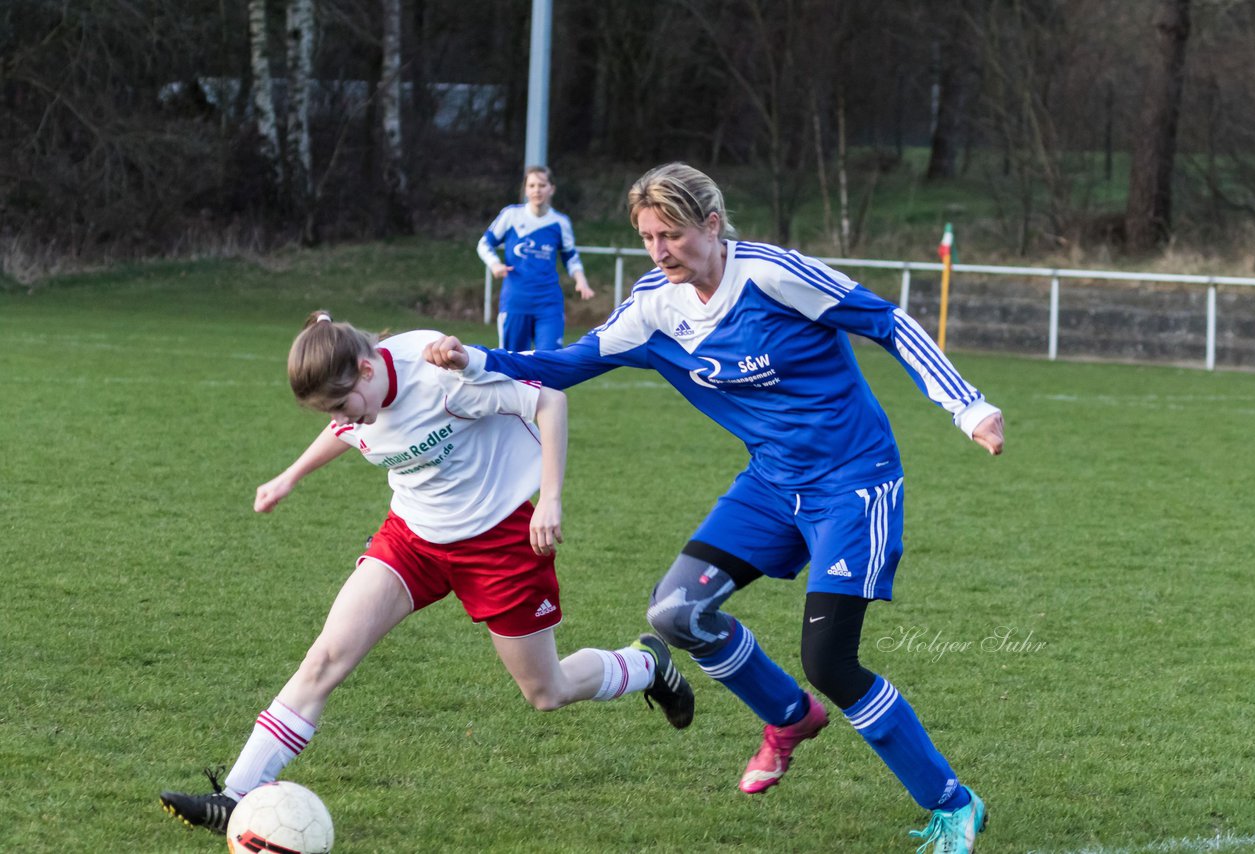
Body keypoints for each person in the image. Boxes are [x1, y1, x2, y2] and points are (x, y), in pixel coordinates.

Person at [425, 163, 1004, 853]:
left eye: (671, 234)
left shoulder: (771, 275)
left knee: (832, 662)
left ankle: (953, 802)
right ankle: (787, 717)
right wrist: (477, 358)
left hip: (853, 482)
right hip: (770, 485)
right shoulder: (652, 307)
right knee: (675, 612)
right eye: (647, 238)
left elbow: (888, 323)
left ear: (712, 225)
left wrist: (968, 406)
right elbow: (568, 364)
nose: (660, 251)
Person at [160, 311, 693, 837]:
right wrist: (290, 476)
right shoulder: (357, 395)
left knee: (546, 691)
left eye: (347, 406)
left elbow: (549, 400)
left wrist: (550, 498)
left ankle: (646, 665)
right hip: (412, 538)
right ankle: (235, 798)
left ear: (367, 370)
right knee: (325, 657)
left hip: (498, 539)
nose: (350, 420)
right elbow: (344, 428)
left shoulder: (444, 378)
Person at [478, 165, 595, 352]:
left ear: (552, 189)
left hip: (548, 303)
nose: (536, 190)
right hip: (515, 301)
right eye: (531, 185)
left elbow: (570, 257)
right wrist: (495, 264)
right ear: (525, 189)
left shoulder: (560, 222)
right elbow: (484, 243)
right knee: (512, 363)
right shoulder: (511, 215)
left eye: (542, 185)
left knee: (549, 361)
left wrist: (581, 281)